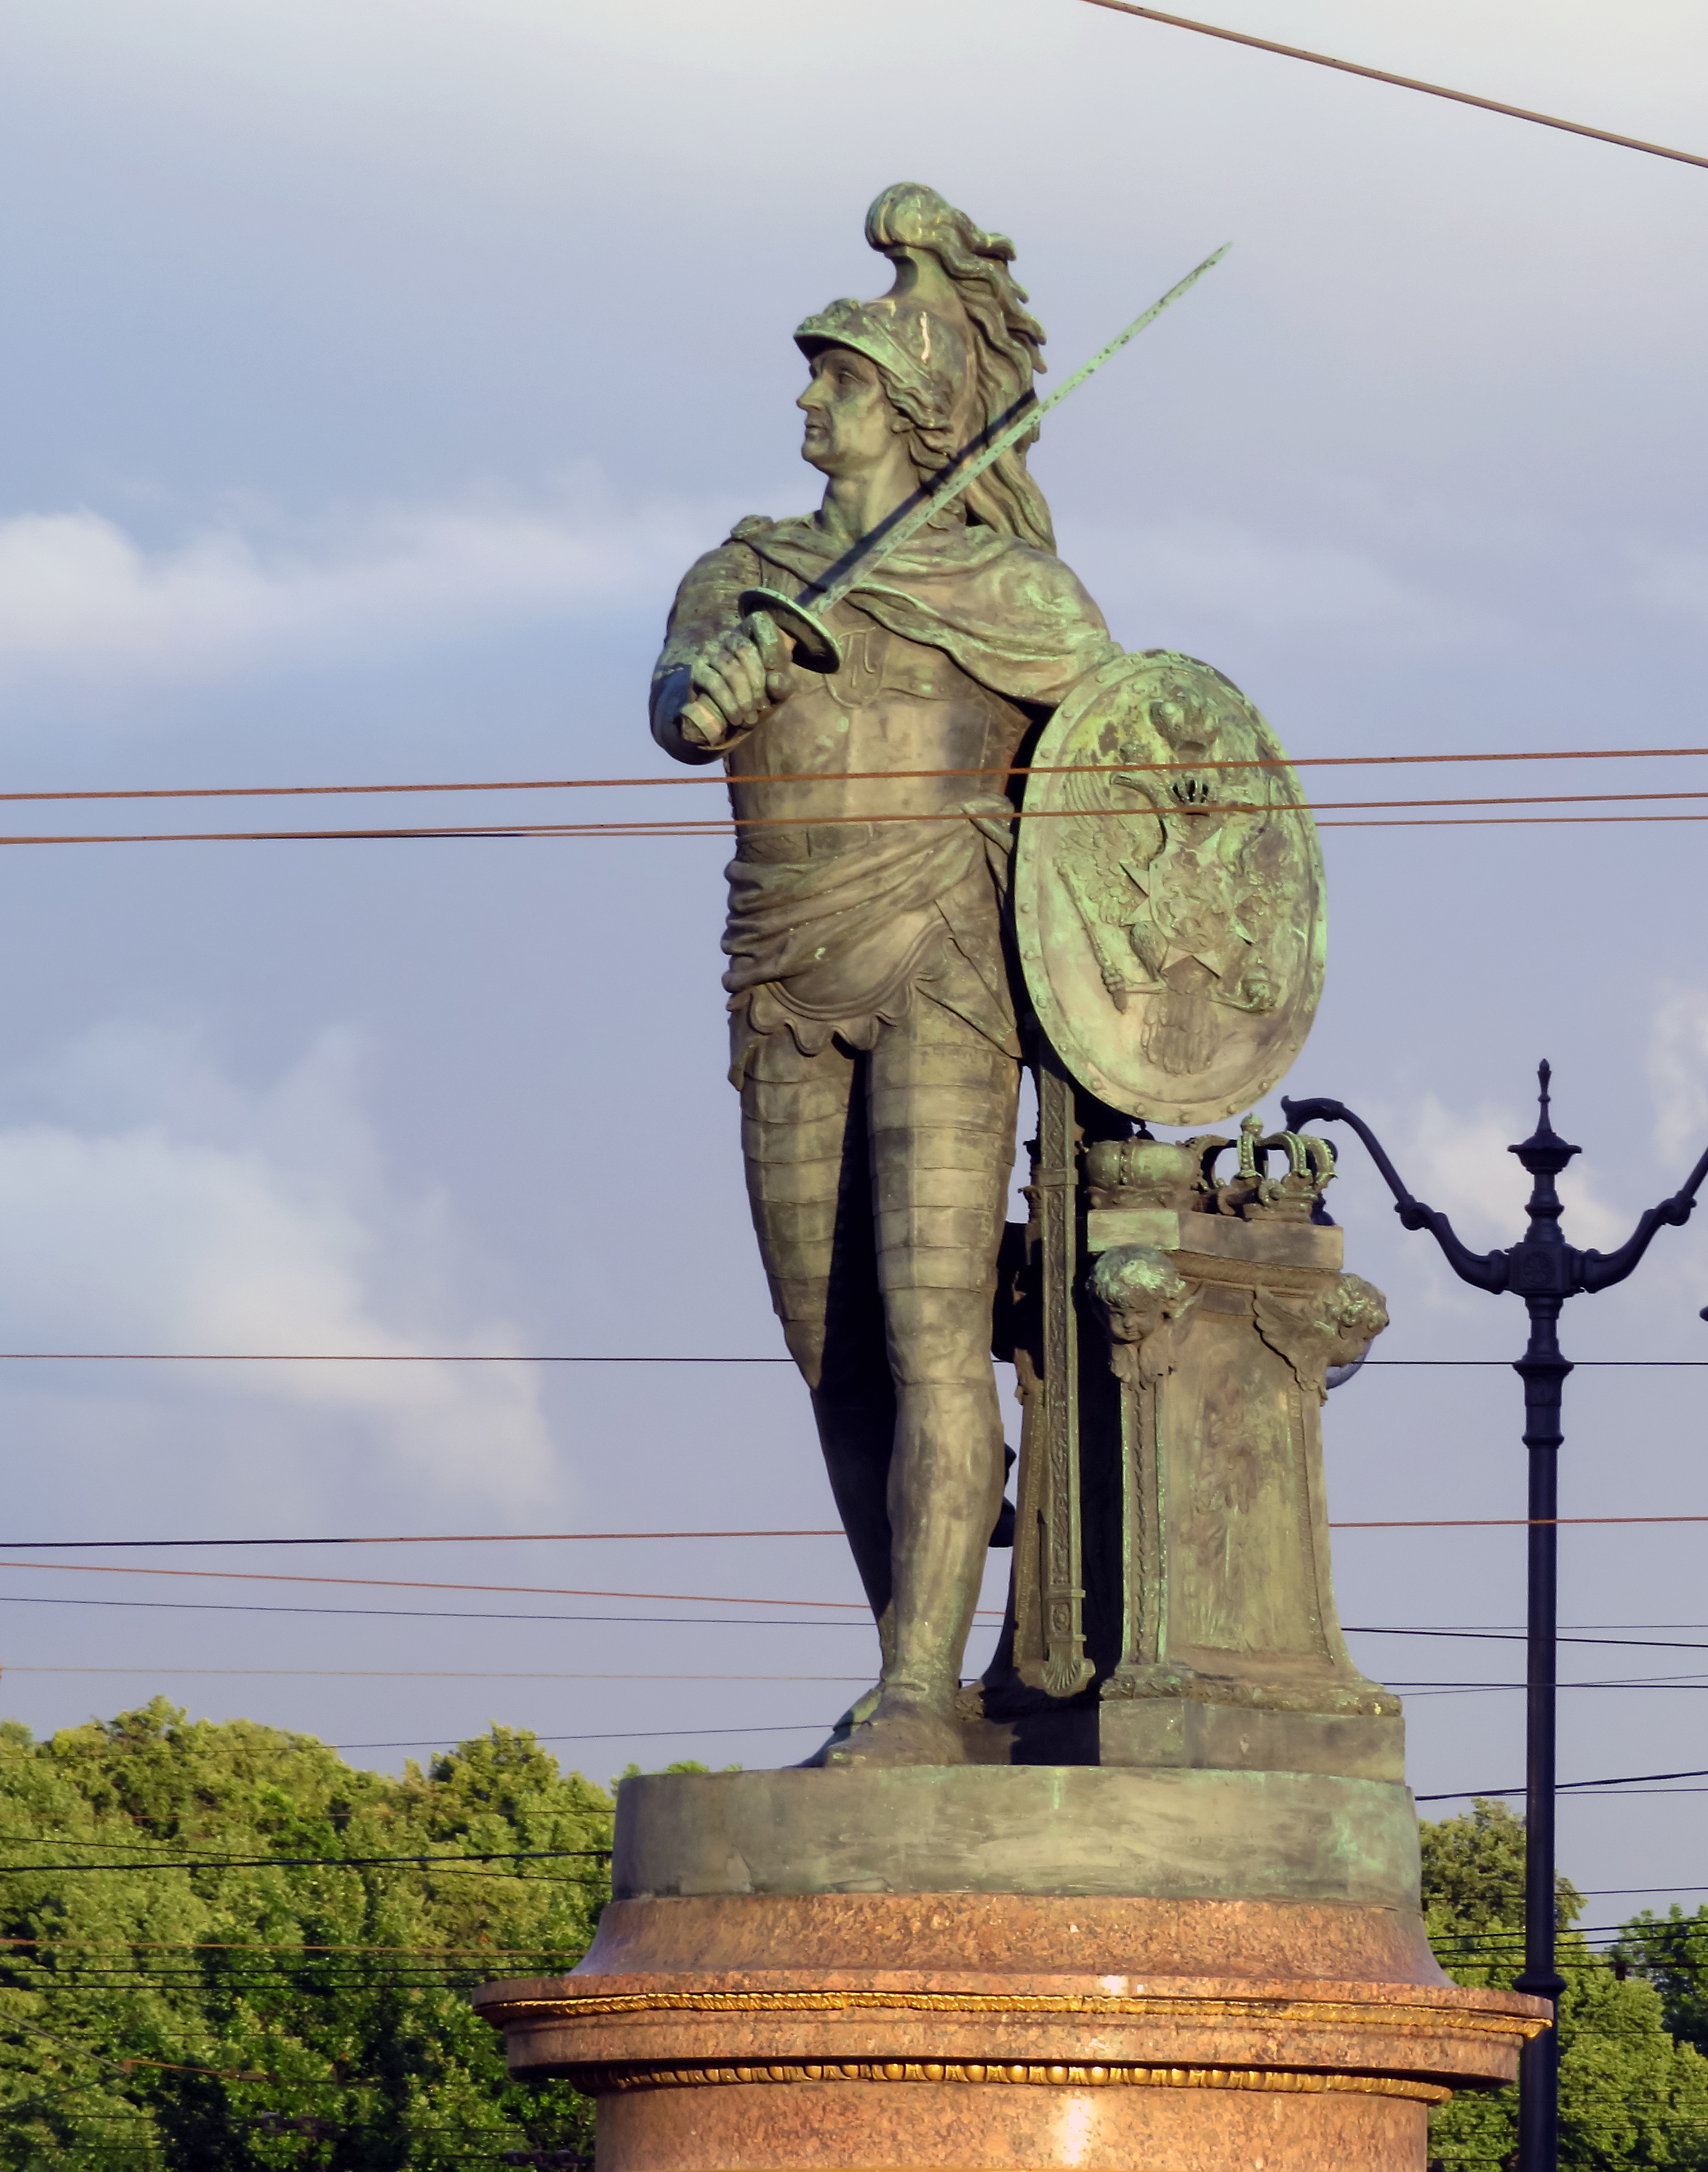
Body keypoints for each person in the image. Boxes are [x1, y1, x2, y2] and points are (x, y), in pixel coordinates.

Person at [650, 186, 1117, 1766]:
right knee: (829, 1349)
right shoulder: (743, 575)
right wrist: (713, 687)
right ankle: (901, 1659)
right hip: (782, 971)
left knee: (930, 1331)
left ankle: (922, 1687)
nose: (806, 399)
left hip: (947, 964)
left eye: (835, 377)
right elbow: (674, 704)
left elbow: (1144, 777)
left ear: (912, 405)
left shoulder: (1023, 604)